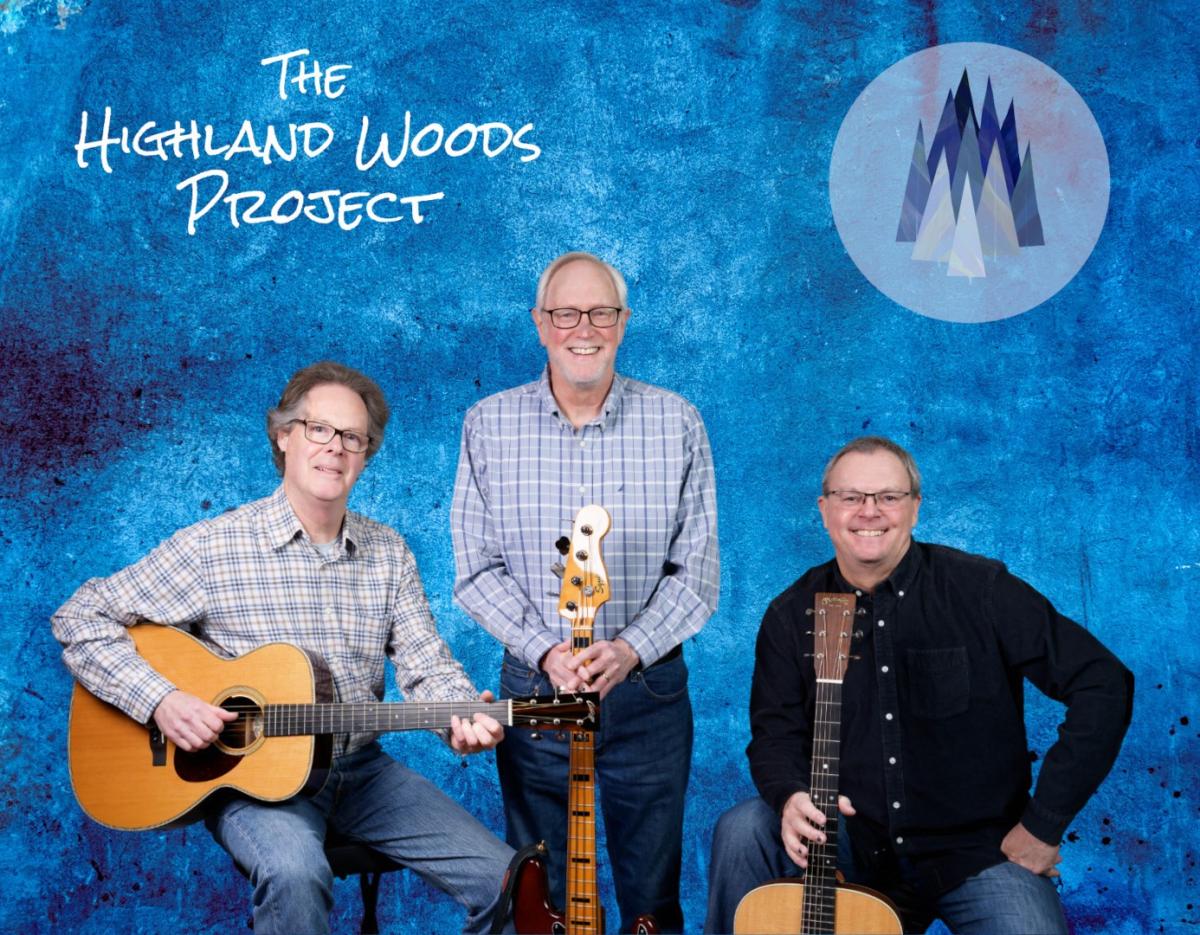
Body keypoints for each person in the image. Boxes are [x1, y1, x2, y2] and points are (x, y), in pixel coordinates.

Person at [52, 361, 515, 935]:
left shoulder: (389, 553)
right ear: (284, 436)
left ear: (366, 454)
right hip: (259, 787)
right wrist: (161, 701)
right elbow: (80, 617)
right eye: (319, 429)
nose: (335, 449)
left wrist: (461, 718)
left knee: (508, 880)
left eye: (353, 437)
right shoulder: (214, 547)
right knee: (295, 874)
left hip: (362, 772)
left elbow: (429, 668)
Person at [705, 436, 1133, 934]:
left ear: (915, 509)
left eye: (888, 497)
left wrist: (1044, 824)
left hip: (975, 853)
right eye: (851, 498)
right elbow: (774, 736)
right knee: (743, 829)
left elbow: (1103, 684)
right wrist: (789, 796)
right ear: (825, 510)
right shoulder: (790, 614)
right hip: (849, 843)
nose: (870, 512)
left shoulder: (981, 590)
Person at [451, 251, 719, 931]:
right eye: (566, 313)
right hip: (536, 690)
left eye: (601, 312)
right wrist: (545, 651)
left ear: (622, 323)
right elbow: (476, 571)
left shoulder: (677, 421)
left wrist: (629, 649)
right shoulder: (488, 422)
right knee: (542, 899)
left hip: (648, 695)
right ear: (541, 324)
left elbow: (699, 574)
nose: (584, 328)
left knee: (651, 896)